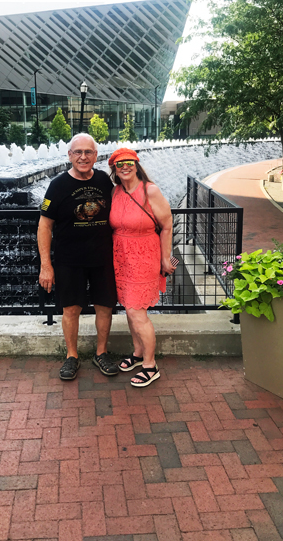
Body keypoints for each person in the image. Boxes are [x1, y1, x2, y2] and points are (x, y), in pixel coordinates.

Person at [38, 133, 118, 380]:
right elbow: (44, 226)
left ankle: (101, 353)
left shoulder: (105, 181)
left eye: (88, 152)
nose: (83, 157)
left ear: (96, 155)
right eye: (78, 152)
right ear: (70, 156)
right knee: (71, 309)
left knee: (105, 307)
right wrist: (46, 265)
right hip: (69, 260)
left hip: (103, 258)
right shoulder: (58, 185)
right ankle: (71, 356)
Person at [108, 148, 176, 387]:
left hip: (144, 256)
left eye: (129, 163)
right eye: (119, 164)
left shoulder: (150, 190)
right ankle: (138, 353)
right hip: (121, 258)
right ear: (114, 169)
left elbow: (167, 225)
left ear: (136, 165)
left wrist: (165, 258)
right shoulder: (116, 191)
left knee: (138, 312)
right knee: (129, 308)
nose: (125, 167)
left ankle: (150, 365)